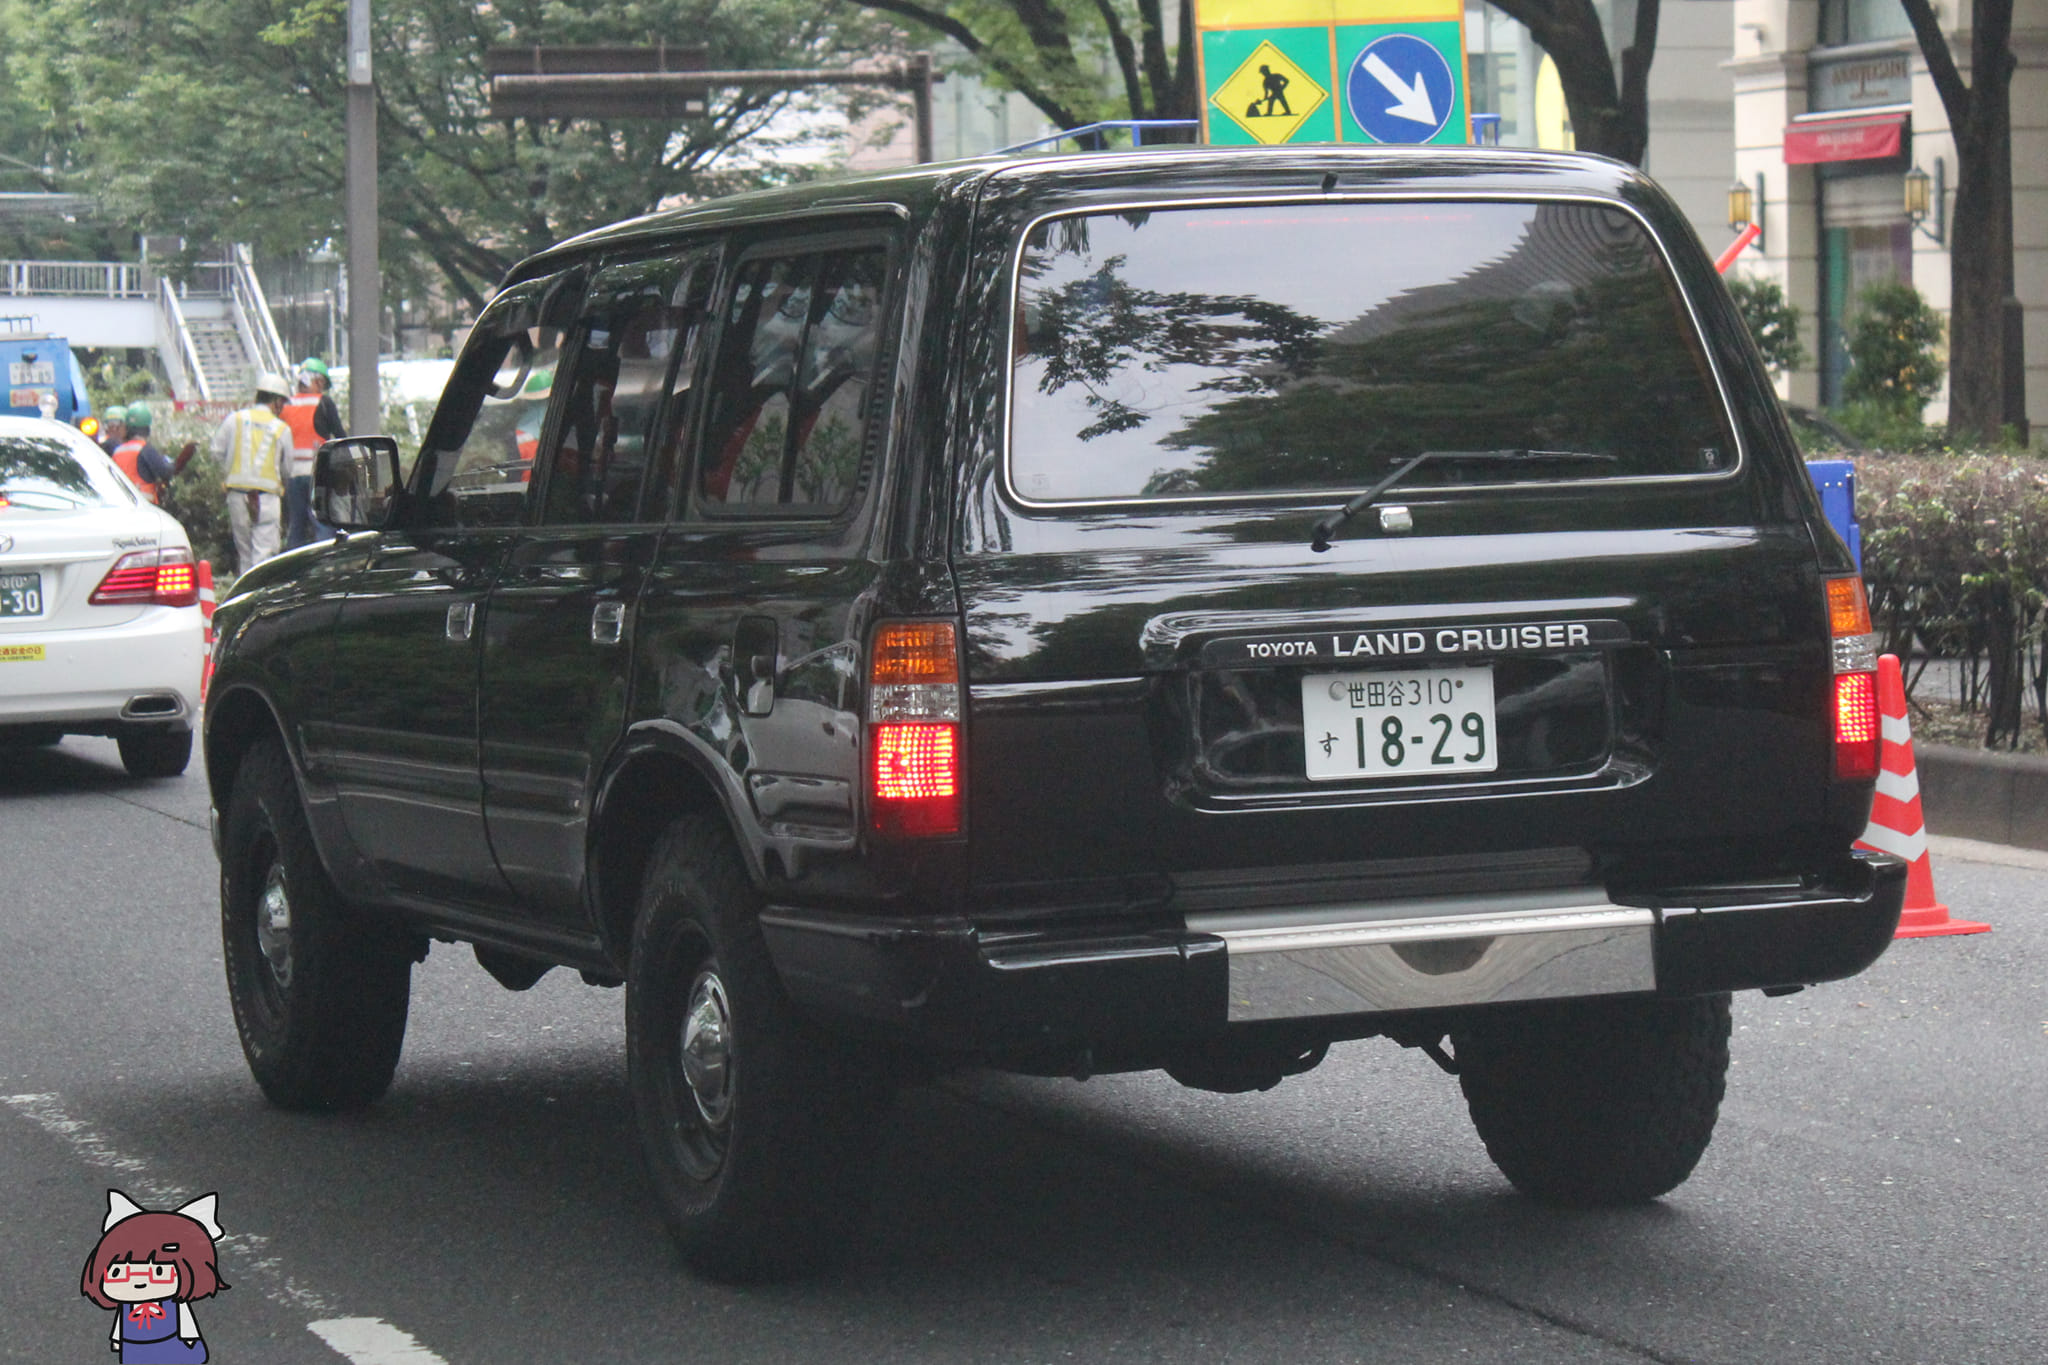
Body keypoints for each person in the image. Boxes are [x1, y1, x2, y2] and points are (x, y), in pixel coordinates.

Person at [80, 1190, 227, 1363]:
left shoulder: (173, 1302)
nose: (139, 1281)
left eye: (158, 1273)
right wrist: (117, 1339)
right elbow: (120, 1322)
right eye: (118, 1273)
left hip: (170, 1345)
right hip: (134, 1348)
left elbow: (185, 1319)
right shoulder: (127, 1305)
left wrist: (190, 1336)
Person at [212, 372, 294, 573]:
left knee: (245, 555)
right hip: (267, 499)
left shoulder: (235, 419)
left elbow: (216, 452)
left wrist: (227, 472)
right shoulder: (281, 429)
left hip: (237, 497)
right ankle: (260, 591)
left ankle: (245, 590)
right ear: (276, 401)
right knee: (264, 557)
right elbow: (287, 469)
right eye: (282, 403)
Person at [280, 357, 347, 548]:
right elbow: (340, 436)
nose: (323, 387)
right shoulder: (324, 402)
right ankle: (325, 562)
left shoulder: (286, 406)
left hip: (292, 475)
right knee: (323, 525)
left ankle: (295, 564)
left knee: (296, 526)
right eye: (323, 383)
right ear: (317, 380)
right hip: (317, 473)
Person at [110, 403, 178, 504]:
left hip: (121, 503)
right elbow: (165, 472)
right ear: (147, 429)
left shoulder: (117, 451)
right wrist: (172, 464)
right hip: (144, 504)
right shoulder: (145, 449)